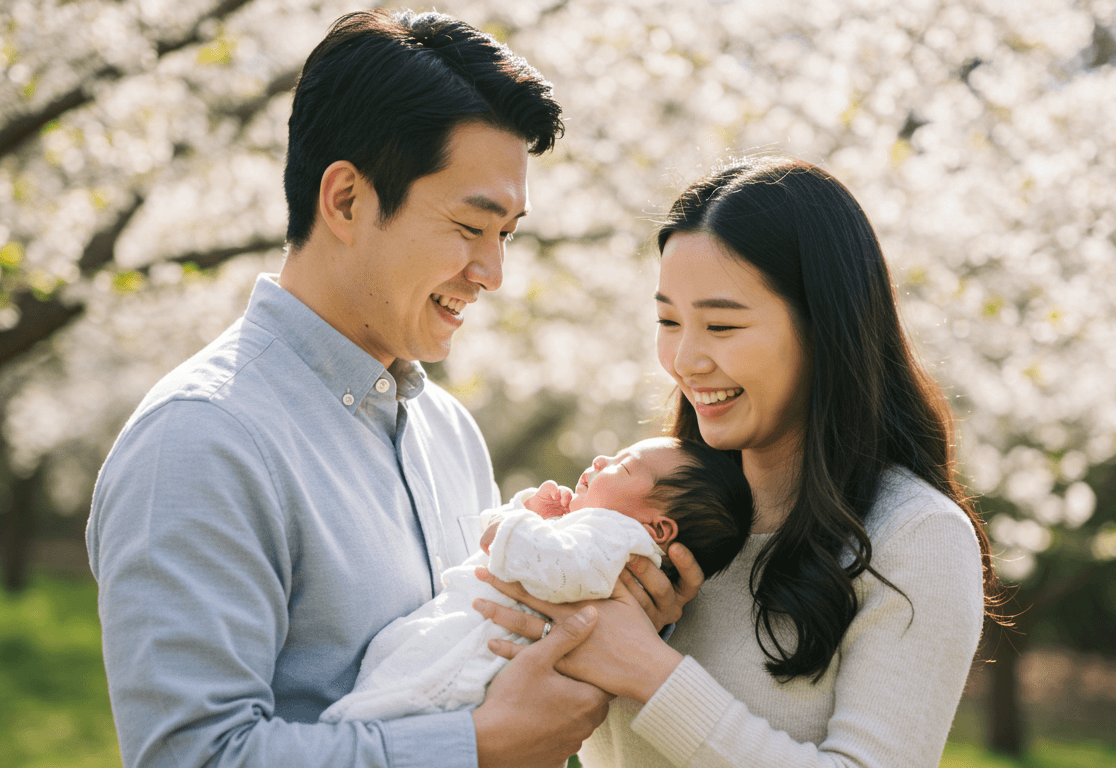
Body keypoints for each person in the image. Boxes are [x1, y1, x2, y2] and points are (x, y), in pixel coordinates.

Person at [86, 10, 700, 768]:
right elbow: (196, 757)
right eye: (471, 226)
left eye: (505, 234)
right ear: (345, 200)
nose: (492, 273)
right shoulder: (201, 442)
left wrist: (612, 632)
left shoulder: (449, 432)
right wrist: (474, 749)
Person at [473, 158, 1005, 767]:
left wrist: (650, 671)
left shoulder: (915, 536)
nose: (686, 359)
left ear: (824, 329)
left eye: (722, 325)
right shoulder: (657, 515)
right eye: (669, 320)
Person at [320, 437, 754, 724]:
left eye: (622, 467)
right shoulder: (602, 543)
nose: (602, 459)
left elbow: (557, 570)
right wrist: (537, 521)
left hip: (475, 655)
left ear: (657, 530)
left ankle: (352, 725)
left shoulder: (619, 537)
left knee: (403, 696)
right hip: (470, 637)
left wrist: (515, 523)